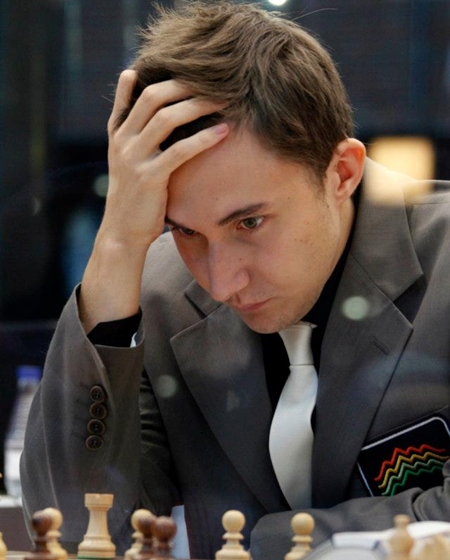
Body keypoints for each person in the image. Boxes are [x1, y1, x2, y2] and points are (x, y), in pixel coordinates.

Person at [20, 2, 450, 560]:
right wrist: (118, 245)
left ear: (341, 172)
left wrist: (259, 544)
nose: (221, 283)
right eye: (184, 230)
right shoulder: (154, 294)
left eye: (249, 223)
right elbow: (78, 533)